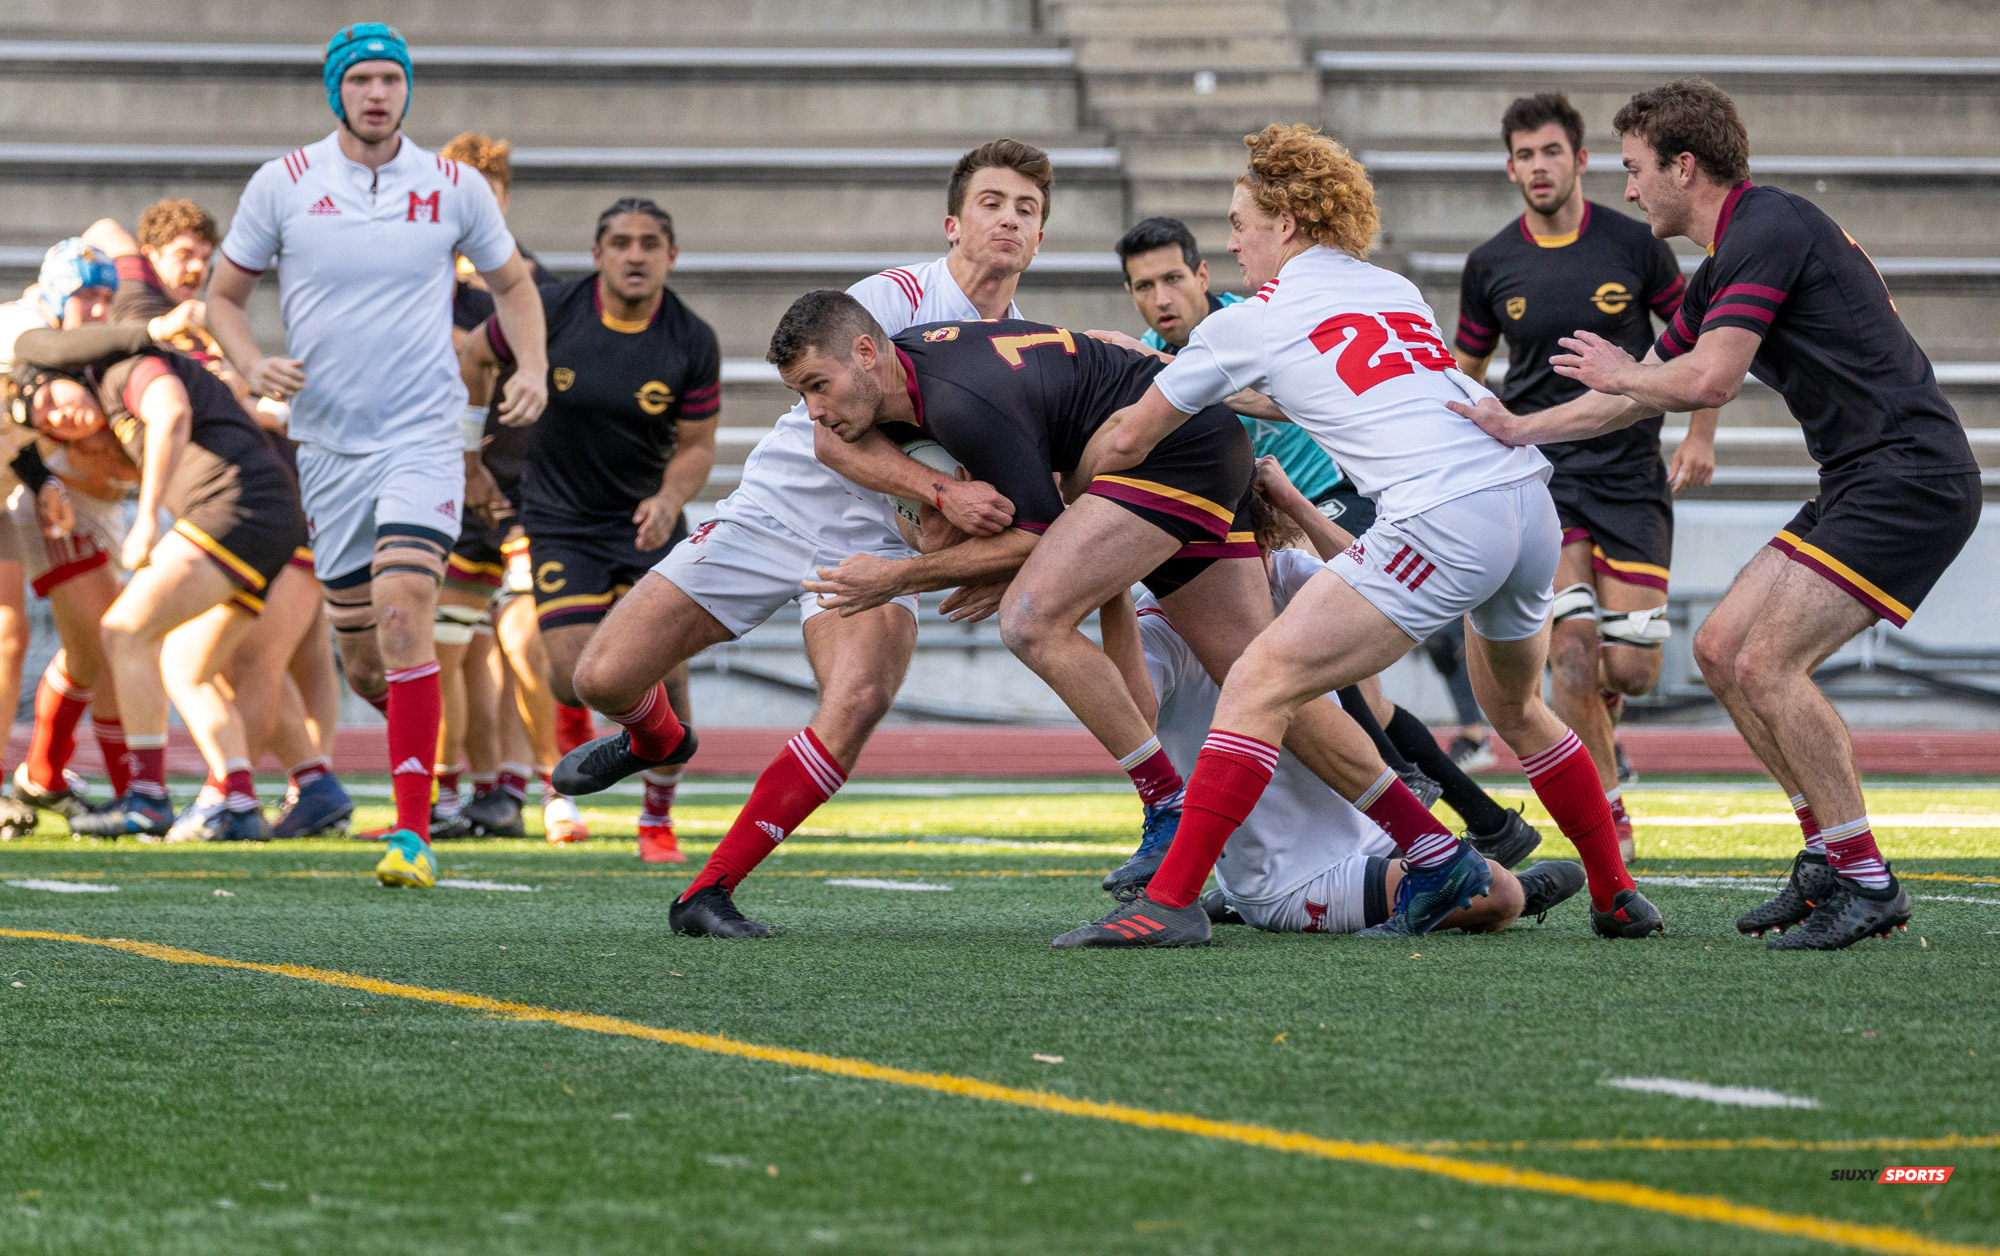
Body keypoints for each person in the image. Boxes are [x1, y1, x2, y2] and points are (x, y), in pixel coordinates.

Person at [1055, 123, 1658, 946]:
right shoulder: (1391, 287)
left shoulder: (1248, 322)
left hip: (1442, 514)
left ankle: (1170, 903)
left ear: (1289, 223)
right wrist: (1189, 381)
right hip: (1525, 507)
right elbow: (1326, 392)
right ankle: (1616, 892)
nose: (1231, 244)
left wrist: (1064, 498)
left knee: (1258, 679)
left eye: (1240, 223)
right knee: (1517, 706)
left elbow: (1128, 440)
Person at [1456, 80, 1981, 950]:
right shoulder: (1727, 257)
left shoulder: (1766, 226)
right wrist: (1518, 429)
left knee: (1769, 662)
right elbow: (1632, 396)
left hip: (1911, 477)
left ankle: (1867, 877)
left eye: (1633, 169)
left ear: (1683, 167)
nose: (1627, 189)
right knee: (1719, 647)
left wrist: (1623, 375)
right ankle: (1827, 856)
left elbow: (1706, 382)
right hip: (1862, 474)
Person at [553, 140, 1042, 934]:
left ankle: (706, 892)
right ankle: (659, 737)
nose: (1008, 219)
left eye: (1026, 208)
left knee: (859, 700)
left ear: (1042, 236)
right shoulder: (890, 299)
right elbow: (828, 435)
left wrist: (987, 560)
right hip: (776, 509)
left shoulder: (1024, 347)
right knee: (600, 680)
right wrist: (942, 491)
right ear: (954, 223)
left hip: (881, 543)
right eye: (992, 202)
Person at [205, 23, 549, 887]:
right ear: (337, 92)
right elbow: (223, 296)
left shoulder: (452, 184)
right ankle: (428, 753)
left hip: (421, 433)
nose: (377, 93)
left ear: (407, 90)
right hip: (326, 443)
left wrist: (534, 366)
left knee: (407, 610)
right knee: (367, 659)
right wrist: (251, 364)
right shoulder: (282, 184)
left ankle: (410, 833)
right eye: (360, 80)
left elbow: (513, 283)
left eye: (391, 80)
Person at [1118, 213, 1459, 861]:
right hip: (1250, 523)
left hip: (1325, 496)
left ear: (1202, 275)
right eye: (1142, 287)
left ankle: (1183, 853)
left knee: (1279, 664)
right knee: (1336, 690)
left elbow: (1296, 400)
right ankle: (1471, 818)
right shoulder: (1149, 352)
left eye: (1171, 279)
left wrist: (1177, 381)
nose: (1160, 299)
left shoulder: (1253, 319)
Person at [1453, 92, 1721, 857]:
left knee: (1631, 667)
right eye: (1524, 155)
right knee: (1568, 650)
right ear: (1510, 167)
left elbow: (1702, 342)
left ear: (1580, 160)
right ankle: (1608, 814)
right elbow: (1466, 378)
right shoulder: (1490, 265)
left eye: (1550, 152)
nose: (1538, 167)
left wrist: (1699, 436)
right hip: (1544, 476)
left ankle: (1601, 706)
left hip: (1631, 475)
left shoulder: (1636, 248)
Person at [1130, 525, 1585, 937]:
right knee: (1502, 895)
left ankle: (1458, 871)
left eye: (1255, 541)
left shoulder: (1280, 576)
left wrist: (1297, 508)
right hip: (1297, 875)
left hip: (1371, 829)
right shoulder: (1156, 631)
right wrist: (1109, 589)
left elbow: (1386, 592)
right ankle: (1513, 891)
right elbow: (1134, 716)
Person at [83, 200, 353, 842]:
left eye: (205, 259)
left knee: (247, 663)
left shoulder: (174, 334)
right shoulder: (150, 315)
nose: (197, 269)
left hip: (273, 511)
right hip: (272, 510)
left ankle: (228, 794)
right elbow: (105, 229)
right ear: (148, 261)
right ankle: (311, 783)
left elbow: (191, 413)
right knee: (221, 661)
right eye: (184, 254)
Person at [463, 197, 720, 861]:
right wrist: (470, 453)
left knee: (672, 673)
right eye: (622, 243)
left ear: (671, 257)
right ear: (598, 254)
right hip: (560, 521)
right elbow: (472, 354)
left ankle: (655, 820)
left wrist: (669, 497)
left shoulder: (691, 339)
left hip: (645, 520)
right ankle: (593, 766)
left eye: (649, 244)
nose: (636, 255)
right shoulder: (548, 308)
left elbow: (696, 446)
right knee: (572, 676)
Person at [10, 326, 310, 840]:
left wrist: (147, 518)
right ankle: (236, 800)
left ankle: (147, 796)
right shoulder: (112, 395)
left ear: (64, 374)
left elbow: (171, 410)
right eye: (49, 425)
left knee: (123, 631)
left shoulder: (122, 369)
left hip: (236, 507)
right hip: (263, 514)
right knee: (187, 666)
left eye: (50, 402)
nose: (58, 418)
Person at [433, 130, 562, 843]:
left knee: (522, 641)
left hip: (524, 489)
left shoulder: (533, 284)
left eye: (484, 190)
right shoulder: (424, 279)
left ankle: (548, 787)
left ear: (503, 200)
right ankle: (468, 792)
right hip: (448, 486)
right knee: (444, 645)